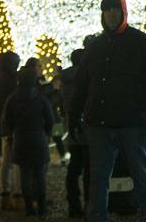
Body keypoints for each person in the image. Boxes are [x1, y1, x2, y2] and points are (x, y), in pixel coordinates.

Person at [70, 0, 146, 222]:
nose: (111, 14)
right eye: (107, 10)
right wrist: (74, 115)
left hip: (133, 123)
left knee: (141, 176)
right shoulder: (96, 47)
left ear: (123, 12)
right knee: (98, 180)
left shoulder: (142, 43)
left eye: (115, 10)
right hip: (101, 124)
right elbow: (82, 85)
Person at [2, 67, 54, 217]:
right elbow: (49, 119)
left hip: (20, 138)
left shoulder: (12, 98)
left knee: (24, 173)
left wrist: (13, 132)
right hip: (38, 137)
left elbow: (7, 119)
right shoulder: (40, 97)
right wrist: (46, 133)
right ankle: (42, 207)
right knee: (40, 174)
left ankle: (29, 208)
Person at [60, 48, 89, 218]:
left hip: (72, 128)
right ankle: (90, 204)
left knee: (74, 169)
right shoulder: (88, 77)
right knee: (90, 171)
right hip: (90, 127)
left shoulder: (65, 80)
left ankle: (73, 204)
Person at [0, 51, 20, 211]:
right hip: (14, 124)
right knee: (15, 161)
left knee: (6, 161)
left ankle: (5, 193)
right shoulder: (11, 80)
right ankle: (17, 195)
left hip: (4, 124)